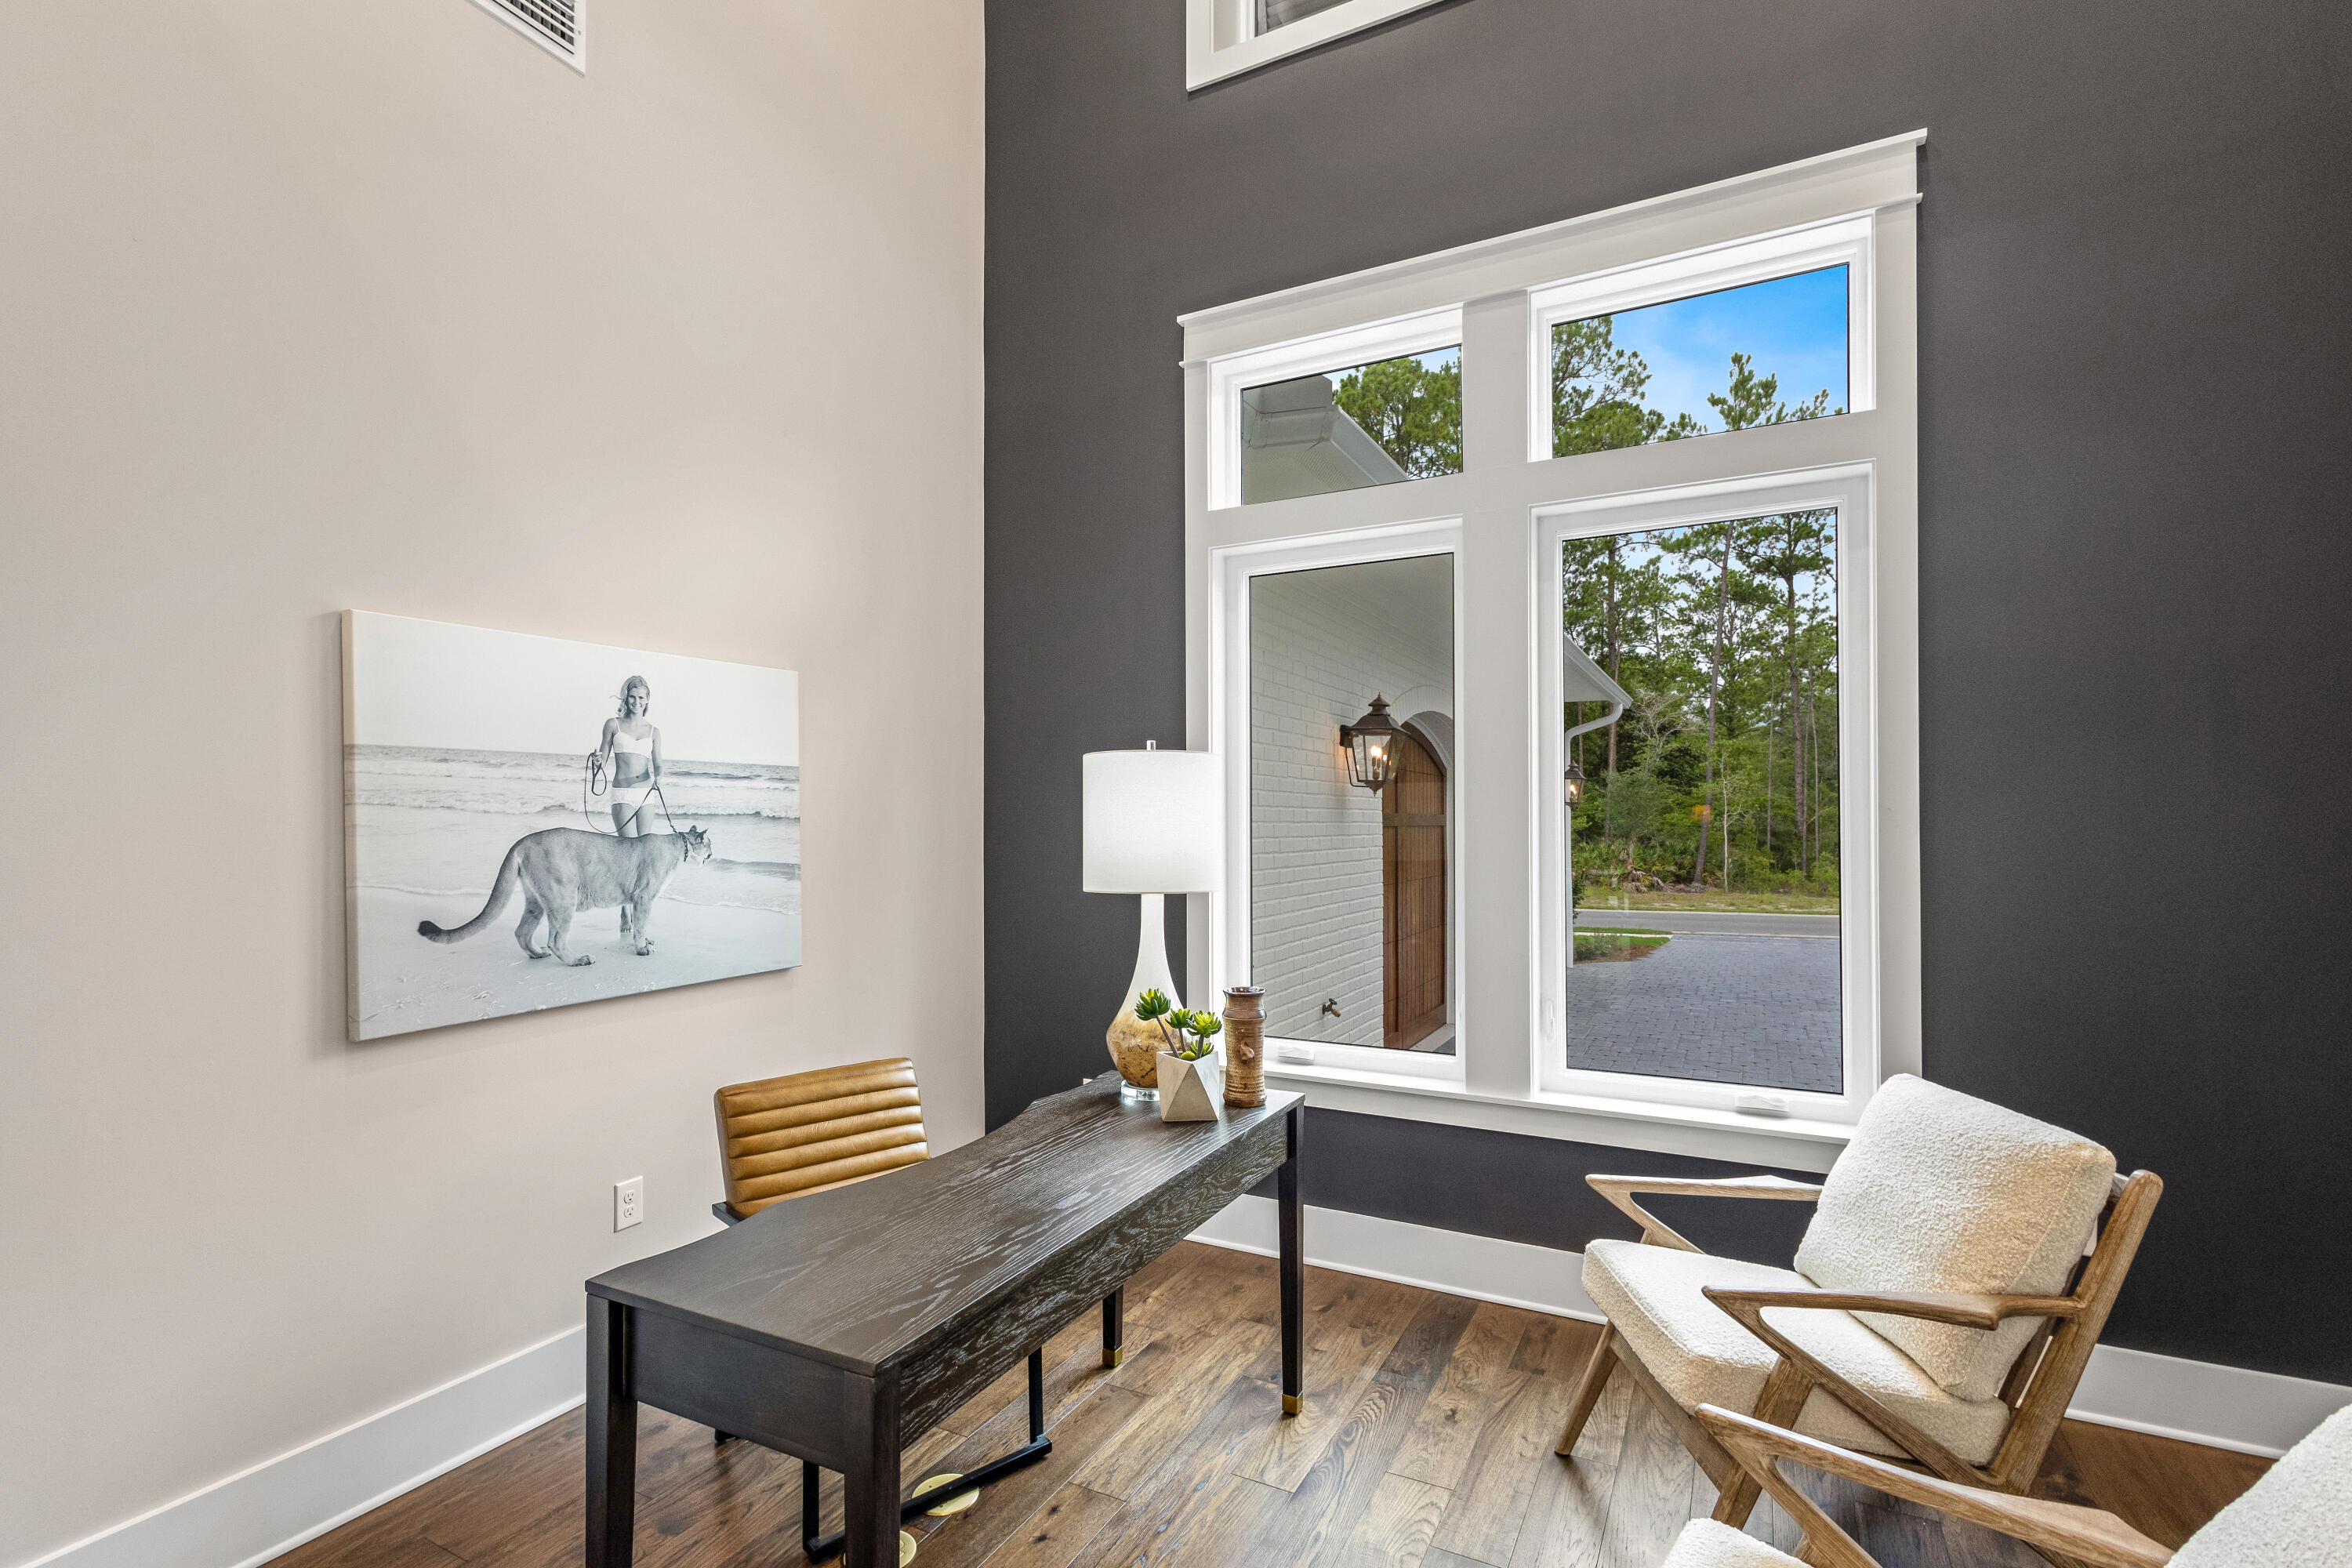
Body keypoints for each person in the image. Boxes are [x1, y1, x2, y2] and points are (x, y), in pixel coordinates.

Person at [592, 676, 663, 837]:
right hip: (622, 793)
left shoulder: (654, 732)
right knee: (628, 847)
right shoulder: (612, 724)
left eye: (641, 697)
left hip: (646, 793)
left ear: (647, 699)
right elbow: (602, 761)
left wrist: (659, 776)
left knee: (644, 847)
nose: (636, 702)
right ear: (626, 697)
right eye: (632, 696)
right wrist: (597, 761)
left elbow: (658, 764)